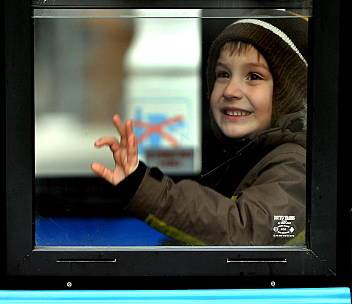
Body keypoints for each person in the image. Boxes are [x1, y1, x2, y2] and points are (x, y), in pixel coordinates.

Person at [91, 15, 307, 246]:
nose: (231, 90)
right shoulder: (243, 155)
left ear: (288, 93)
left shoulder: (295, 163)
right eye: (223, 74)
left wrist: (146, 189)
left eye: (254, 76)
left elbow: (245, 231)